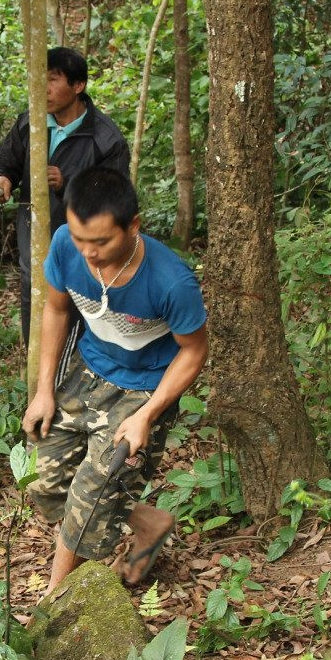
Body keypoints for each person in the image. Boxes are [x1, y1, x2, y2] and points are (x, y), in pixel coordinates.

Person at [22, 166, 207, 596]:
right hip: (87, 368)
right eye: (80, 238)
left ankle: (55, 600)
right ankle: (150, 522)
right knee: (43, 481)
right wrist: (44, 390)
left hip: (144, 388)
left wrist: (148, 415)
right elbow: (56, 309)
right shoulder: (66, 246)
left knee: (92, 496)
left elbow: (195, 351)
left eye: (101, 242)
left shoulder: (171, 281)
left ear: (133, 225)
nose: (88, 252)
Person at [0, 47, 131, 343]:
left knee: (75, 329)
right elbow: (0, 162)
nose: (43, 88)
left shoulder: (106, 139)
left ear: (78, 86)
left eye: (52, 80)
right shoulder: (30, 123)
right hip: (33, 245)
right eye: (40, 79)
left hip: (83, 255)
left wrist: (67, 184)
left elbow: (116, 200)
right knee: (35, 324)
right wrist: (0, 180)